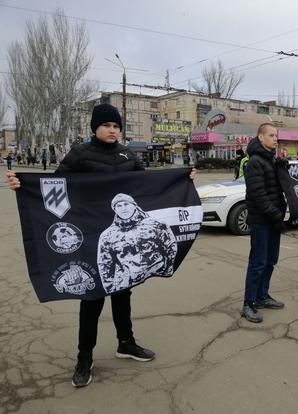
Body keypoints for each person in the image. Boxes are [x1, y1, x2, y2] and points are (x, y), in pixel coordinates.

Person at [5, 103, 197, 388]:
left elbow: (147, 186)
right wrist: (22, 184)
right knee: (91, 298)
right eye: (107, 125)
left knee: (122, 294)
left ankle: (126, 343)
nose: (112, 130)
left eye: (117, 126)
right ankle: (84, 357)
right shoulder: (80, 154)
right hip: (90, 233)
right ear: (95, 127)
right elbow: (54, 186)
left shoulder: (126, 154)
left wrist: (182, 178)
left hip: (122, 238)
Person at [241, 123, 287, 323]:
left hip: (273, 219)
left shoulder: (271, 160)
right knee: (258, 262)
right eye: (271, 135)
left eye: (276, 135)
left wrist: (283, 168)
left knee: (270, 260)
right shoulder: (254, 162)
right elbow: (258, 194)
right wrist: (276, 214)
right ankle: (248, 303)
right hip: (261, 220)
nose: (275, 139)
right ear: (260, 137)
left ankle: (262, 296)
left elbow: (276, 189)